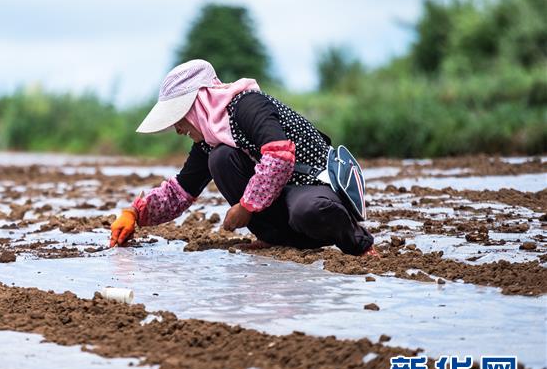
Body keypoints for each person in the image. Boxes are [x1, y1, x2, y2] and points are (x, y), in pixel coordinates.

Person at [108, 59, 374, 256]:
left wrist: (246, 206)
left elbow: (280, 156)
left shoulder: (247, 105)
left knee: (311, 211)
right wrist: (134, 213)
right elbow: (179, 191)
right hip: (282, 201)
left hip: (310, 184)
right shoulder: (211, 139)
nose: (178, 129)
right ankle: (278, 238)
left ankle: (359, 244)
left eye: (179, 119)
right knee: (221, 159)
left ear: (196, 105)